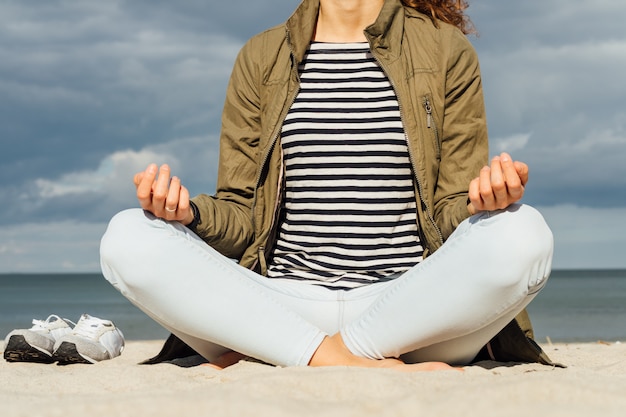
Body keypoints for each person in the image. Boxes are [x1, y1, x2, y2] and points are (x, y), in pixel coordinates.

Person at [100, 0, 554, 371]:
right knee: (128, 236)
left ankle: (305, 353)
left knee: (524, 232)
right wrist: (188, 215)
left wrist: (487, 202)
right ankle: (339, 358)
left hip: (408, 309)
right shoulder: (261, 56)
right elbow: (241, 214)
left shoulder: (444, 50)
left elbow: (448, 210)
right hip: (285, 302)